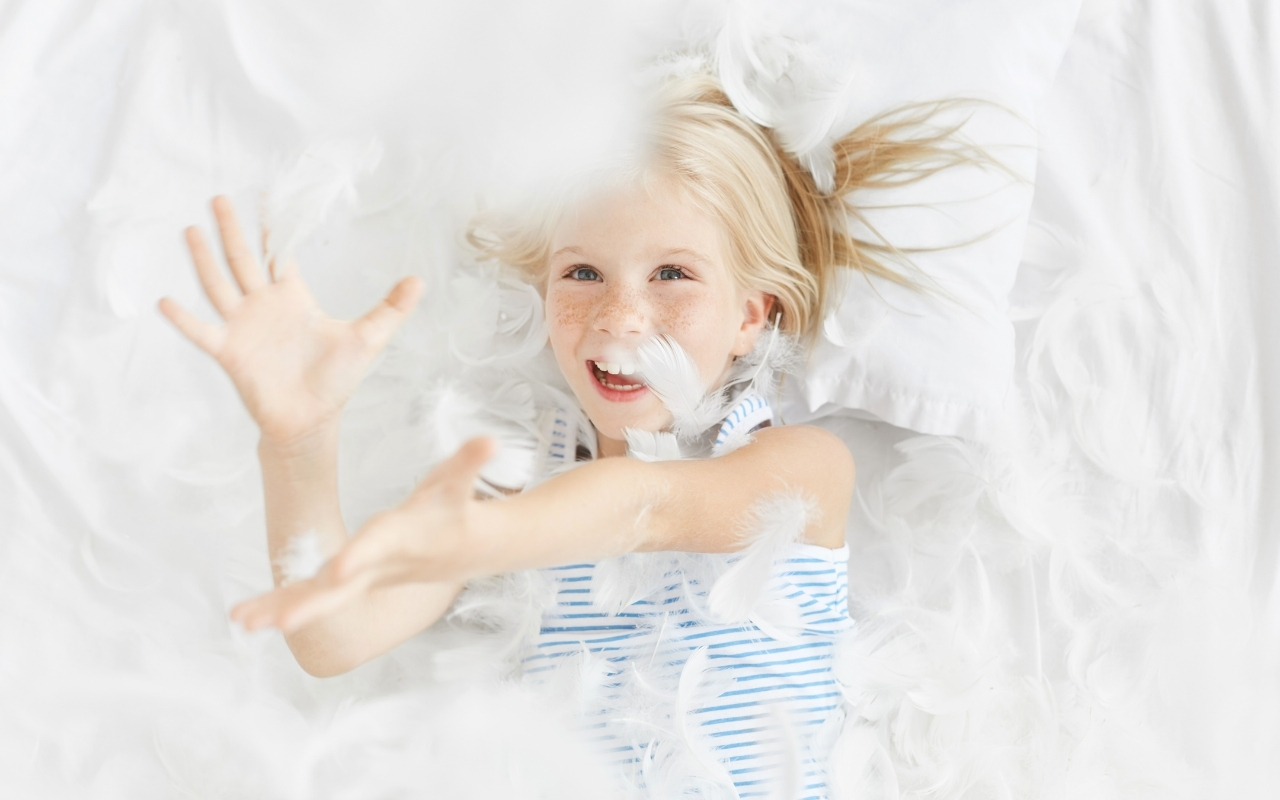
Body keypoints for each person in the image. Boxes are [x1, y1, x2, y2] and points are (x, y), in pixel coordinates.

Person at [159, 66, 974, 797]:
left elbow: (648, 507)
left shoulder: (800, 470)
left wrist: (481, 538)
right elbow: (331, 638)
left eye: (673, 274)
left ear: (750, 317)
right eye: (582, 272)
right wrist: (298, 443)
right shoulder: (508, 492)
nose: (619, 315)